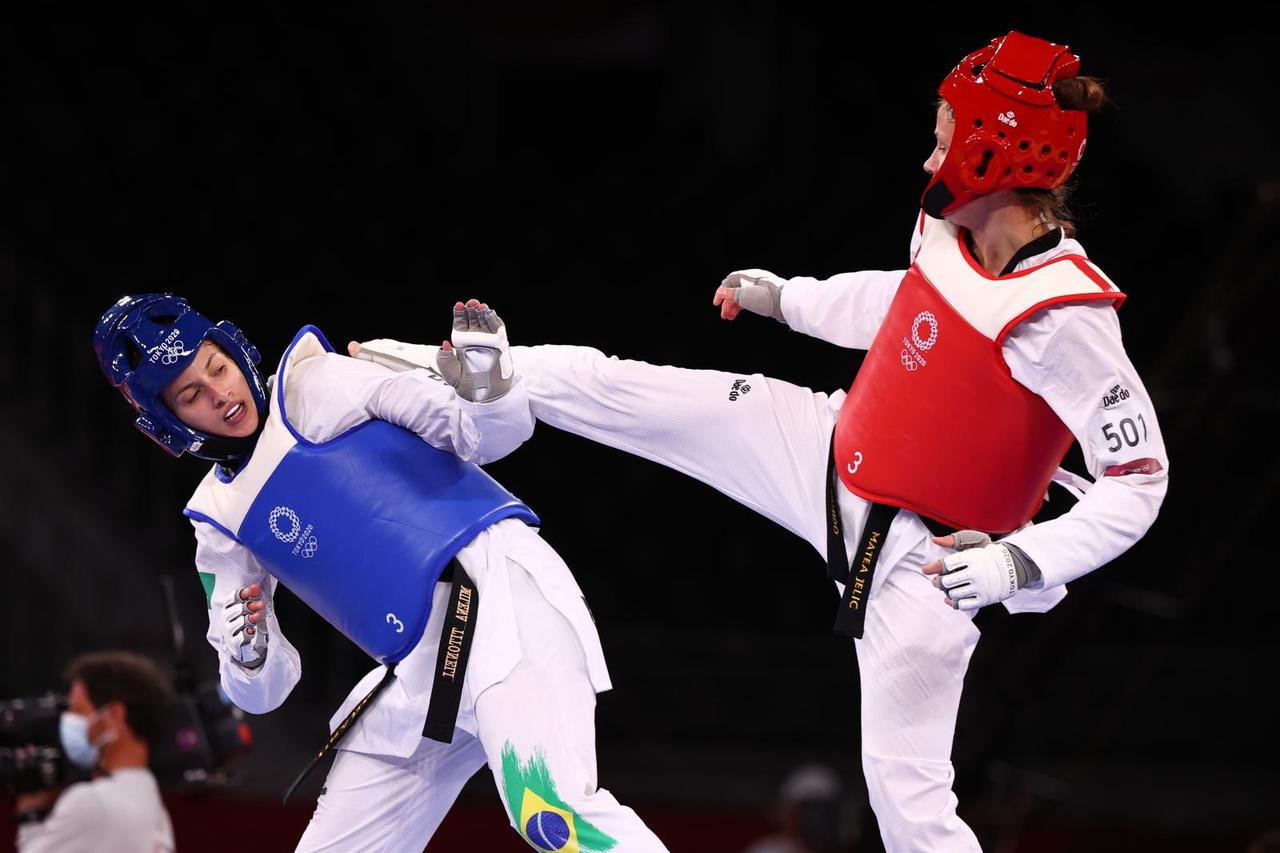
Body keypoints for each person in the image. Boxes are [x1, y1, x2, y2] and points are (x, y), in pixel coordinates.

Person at [362, 30, 1169, 851]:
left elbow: (1139, 482)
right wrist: (791, 300)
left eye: (943, 139)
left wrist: (1013, 565)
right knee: (635, 390)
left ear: (996, 151)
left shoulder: (1068, 316)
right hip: (825, 450)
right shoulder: (949, 236)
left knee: (911, 807)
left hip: (929, 568)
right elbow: (907, 302)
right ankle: (458, 371)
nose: (930, 161)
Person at [93, 295, 668, 852]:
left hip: (501, 601)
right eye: (192, 394)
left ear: (235, 350)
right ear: (165, 421)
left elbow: (479, 435)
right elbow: (262, 694)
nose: (221, 394)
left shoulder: (321, 384)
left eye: (217, 368)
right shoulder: (217, 522)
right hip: (419, 672)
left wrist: (487, 389)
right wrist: (248, 655)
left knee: (550, 815)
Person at [14, 650, 176, 853]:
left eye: (78, 711)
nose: (68, 721)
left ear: (115, 716)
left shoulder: (93, 803)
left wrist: (30, 814)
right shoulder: (150, 801)